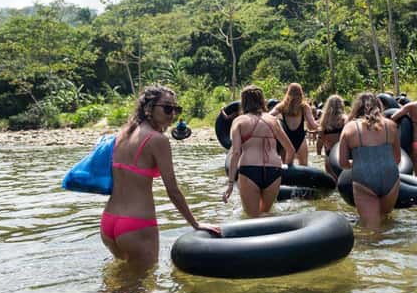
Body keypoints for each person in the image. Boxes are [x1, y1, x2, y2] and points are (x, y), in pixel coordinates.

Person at [102, 85, 219, 268]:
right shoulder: (158, 140)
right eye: (167, 108)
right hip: (136, 224)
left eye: (176, 109)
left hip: (109, 221)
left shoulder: (123, 134)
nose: (172, 114)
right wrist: (195, 223)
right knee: (141, 288)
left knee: (121, 280)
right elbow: (172, 190)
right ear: (148, 108)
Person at [225, 85, 295, 217]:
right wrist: (286, 167)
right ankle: (285, 223)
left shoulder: (239, 121)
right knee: (265, 214)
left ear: (243, 102)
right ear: (262, 101)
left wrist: (230, 184)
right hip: (274, 171)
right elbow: (290, 149)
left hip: (249, 170)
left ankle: (281, 222)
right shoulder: (274, 121)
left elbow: (235, 153)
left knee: (253, 217)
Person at [338, 92, 402, 228]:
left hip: (364, 178)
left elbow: (343, 163)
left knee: (371, 229)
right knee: (385, 221)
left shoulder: (349, 128)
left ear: (356, 108)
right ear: (378, 106)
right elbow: (397, 159)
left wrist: (361, 164)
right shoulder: (391, 125)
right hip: (390, 176)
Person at [270, 83, 319, 166]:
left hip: (286, 140)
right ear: (301, 93)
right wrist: (324, 122)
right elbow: (313, 125)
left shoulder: (282, 106)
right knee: (304, 168)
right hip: (300, 138)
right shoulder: (304, 107)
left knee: (287, 168)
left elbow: (268, 116)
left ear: (288, 93)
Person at [318, 95, 348, 177]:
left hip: (329, 155)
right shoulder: (345, 119)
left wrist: (318, 153)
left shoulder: (324, 121)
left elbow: (319, 141)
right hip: (343, 155)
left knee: (332, 182)